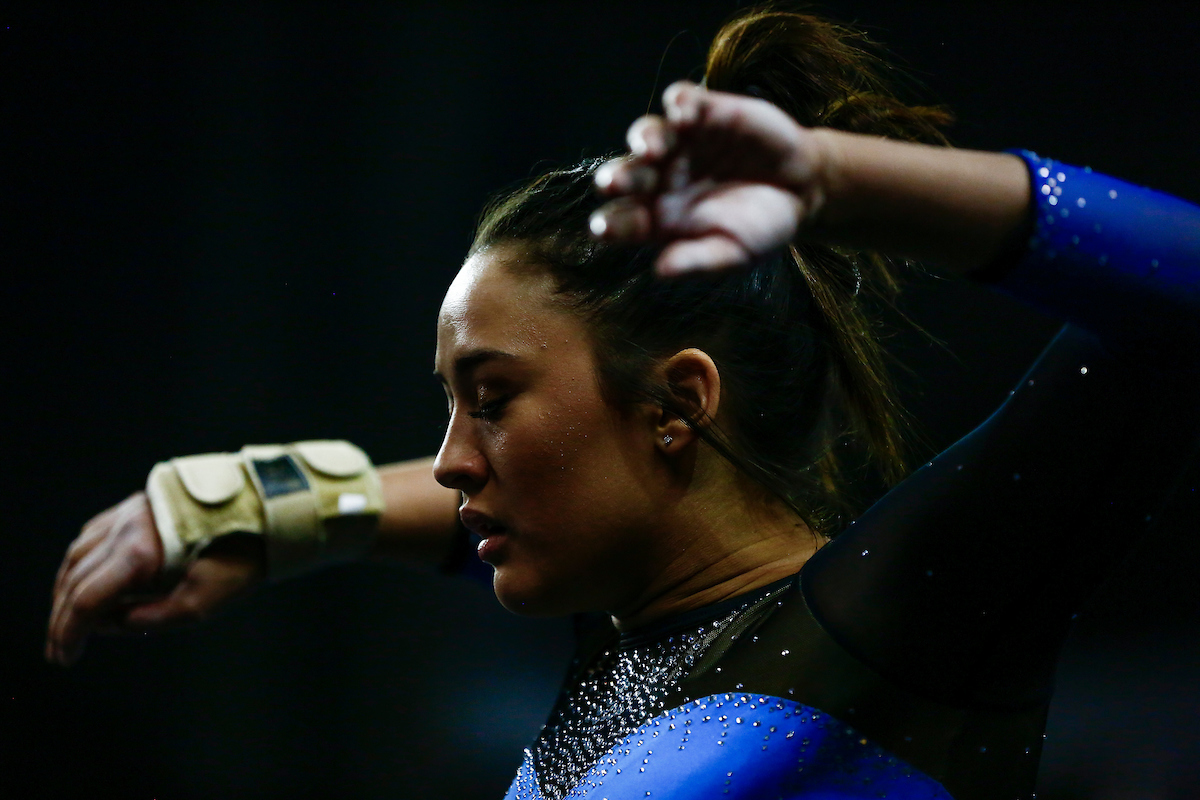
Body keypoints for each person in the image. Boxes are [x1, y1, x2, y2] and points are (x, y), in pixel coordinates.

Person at [44, 9, 1200, 800]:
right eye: (450, 403)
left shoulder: (902, 621)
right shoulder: (619, 614)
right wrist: (259, 505)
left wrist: (838, 182)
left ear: (676, 403)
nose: (449, 460)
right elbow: (466, 516)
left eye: (490, 397)